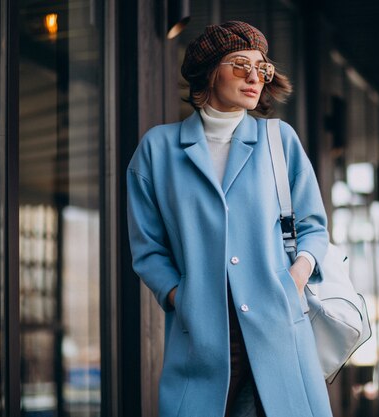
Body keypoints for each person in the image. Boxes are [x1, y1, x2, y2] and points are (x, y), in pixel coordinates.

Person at [127, 21, 333, 417]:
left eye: (263, 67)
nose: (255, 77)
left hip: (277, 329)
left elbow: (313, 228)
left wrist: (292, 281)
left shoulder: (279, 140)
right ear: (209, 71)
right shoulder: (158, 150)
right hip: (202, 338)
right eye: (240, 64)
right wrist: (181, 297)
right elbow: (148, 249)